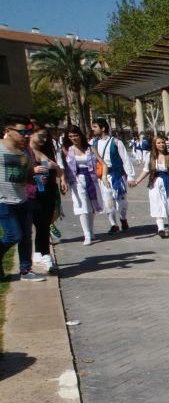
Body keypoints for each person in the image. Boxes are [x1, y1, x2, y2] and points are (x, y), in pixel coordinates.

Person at [0, 116, 45, 281]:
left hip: (23, 199)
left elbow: (26, 176)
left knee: (26, 236)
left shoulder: (25, 151)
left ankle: (26, 270)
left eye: (27, 132)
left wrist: (36, 174)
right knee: (13, 235)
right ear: (7, 131)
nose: (25, 135)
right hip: (4, 201)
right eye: (21, 132)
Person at [26, 126, 66, 273]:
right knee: (39, 225)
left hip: (48, 192)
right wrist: (34, 171)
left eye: (45, 137)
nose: (43, 140)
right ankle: (45, 256)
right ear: (31, 135)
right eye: (40, 136)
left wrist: (62, 180)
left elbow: (59, 170)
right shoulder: (26, 152)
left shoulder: (47, 151)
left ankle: (40, 254)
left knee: (44, 225)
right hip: (32, 194)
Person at [60, 125, 104, 246]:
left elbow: (103, 163)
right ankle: (87, 235)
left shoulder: (90, 148)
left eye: (75, 135)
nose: (73, 138)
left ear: (80, 135)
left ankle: (91, 230)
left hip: (91, 179)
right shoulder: (66, 149)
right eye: (70, 136)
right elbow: (62, 166)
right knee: (82, 206)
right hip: (76, 180)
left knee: (91, 206)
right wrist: (63, 180)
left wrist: (104, 177)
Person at [91, 118, 134, 233]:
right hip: (102, 177)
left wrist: (130, 176)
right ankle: (114, 225)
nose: (92, 129)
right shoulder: (93, 143)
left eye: (95, 127)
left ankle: (123, 218)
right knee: (107, 202)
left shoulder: (116, 142)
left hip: (117, 176)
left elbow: (125, 159)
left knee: (121, 201)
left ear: (103, 128)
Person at [132, 135, 169, 238]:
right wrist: (137, 181)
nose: (161, 145)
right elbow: (146, 170)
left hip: (168, 182)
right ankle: (160, 228)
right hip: (155, 183)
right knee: (157, 204)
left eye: (163, 143)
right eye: (159, 143)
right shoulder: (150, 156)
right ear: (154, 145)